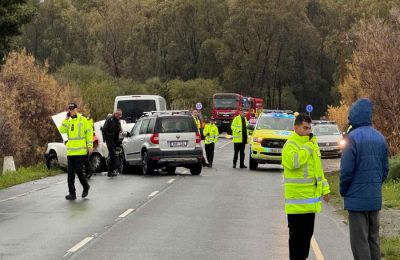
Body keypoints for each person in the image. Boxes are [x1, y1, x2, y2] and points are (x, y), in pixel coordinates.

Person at [340, 98, 388, 260]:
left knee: (360, 241)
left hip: (356, 200)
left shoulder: (351, 138)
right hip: (374, 198)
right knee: (373, 239)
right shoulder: (380, 138)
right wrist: (374, 185)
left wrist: (343, 191)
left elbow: (346, 171)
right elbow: (385, 169)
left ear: (354, 116)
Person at [281, 113, 330, 260]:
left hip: (310, 203)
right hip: (296, 204)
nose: (308, 131)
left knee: (306, 240)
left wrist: (325, 190)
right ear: (295, 127)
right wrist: (308, 147)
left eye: (309, 128)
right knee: (296, 242)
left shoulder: (312, 144)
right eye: (304, 128)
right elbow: (294, 163)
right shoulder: (290, 145)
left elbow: (318, 171)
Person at [59, 102, 93, 200]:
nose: (71, 111)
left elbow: (89, 132)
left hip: (80, 152)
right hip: (70, 152)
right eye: (69, 109)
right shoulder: (68, 121)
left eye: (73, 109)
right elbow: (62, 130)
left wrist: (90, 145)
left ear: (76, 109)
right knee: (70, 174)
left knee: (79, 171)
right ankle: (72, 193)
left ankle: (86, 186)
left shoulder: (83, 120)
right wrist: (66, 119)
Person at [102, 109, 122, 177]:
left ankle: (112, 170)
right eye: (119, 115)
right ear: (116, 114)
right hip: (109, 140)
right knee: (113, 155)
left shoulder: (118, 121)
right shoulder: (110, 120)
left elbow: (119, 129)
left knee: (112, 155)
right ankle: (110, 171)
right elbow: (104, 129)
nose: (120, 116)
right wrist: (107, 137)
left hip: (115, 141)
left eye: (120, 115)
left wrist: (120, 130)